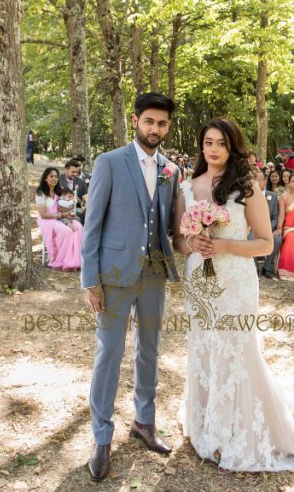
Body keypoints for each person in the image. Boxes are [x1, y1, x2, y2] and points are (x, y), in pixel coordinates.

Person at [173, 118, 294, 471]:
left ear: (233, 148)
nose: (213, 149)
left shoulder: (246, 188)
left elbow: (265, 243)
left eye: (221, 144)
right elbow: (178, 241)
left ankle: (234, 432)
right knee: (204, 347)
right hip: (200, 280)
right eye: (208, 142)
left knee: (236, 349)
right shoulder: (186, 187)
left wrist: (224, 243)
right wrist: (191, 243)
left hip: (236, 282)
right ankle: (206, 427)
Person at [82, 92, 180, 483]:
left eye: (162, 124)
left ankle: (145, 421)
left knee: (149, 351)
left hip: (155, 275)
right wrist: (91, 280)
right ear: (136, 121)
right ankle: (102, 437)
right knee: (110, 353)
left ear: (168, 127)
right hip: (115, 275)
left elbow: (170, 225)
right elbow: (92, 226)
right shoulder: (109, 162)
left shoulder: (172, 170)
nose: (155, 129)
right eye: (149, 122)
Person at [35, 167, 83, 271]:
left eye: (56, 176)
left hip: (61, 217)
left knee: (78, 227)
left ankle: (74, 261)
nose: (54, 178)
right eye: (51, 176)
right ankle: (61, 260)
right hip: (48, 219)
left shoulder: (60, 190)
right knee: (66, 231)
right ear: (45, 178)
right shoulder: (41, 193)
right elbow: (43, 215)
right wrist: (60, 216)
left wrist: (69, 211)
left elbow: (68, 203)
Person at [254, 171, 281, 279]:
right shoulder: (248, 196)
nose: (256, 182)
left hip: (269, 228)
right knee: (248, 238)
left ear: (265, 181)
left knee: (278, 239)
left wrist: (268, 228)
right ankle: (255, 267)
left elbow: (275, 217)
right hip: (253, 228)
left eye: (258, 180)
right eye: (254, 180)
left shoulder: (273, 196)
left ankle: (267, 267)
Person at [58, 158, 89, 222]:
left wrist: (79, 201)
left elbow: (86, 200)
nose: (75, 174)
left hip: (77, 210)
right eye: (73, 172)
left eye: (77, 172)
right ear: (66, 170)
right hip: (60, 211)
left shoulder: (81, 182)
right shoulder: (58, 181)